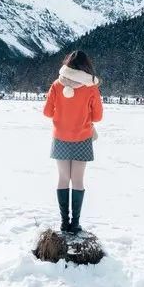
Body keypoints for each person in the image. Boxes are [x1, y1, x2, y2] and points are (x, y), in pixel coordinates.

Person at [43, 50, 103, 234]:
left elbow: (47, 112)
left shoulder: (56, 84)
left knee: (63, 178)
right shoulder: (91, 87)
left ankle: (64, 222)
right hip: (82, 138)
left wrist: (62, 112)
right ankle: (75, 224)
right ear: (87, 66)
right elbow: (98, 117)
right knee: (77, 180)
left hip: (60, 137)